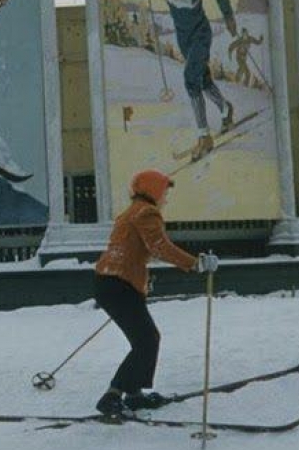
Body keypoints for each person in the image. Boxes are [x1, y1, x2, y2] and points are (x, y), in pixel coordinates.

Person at [92, 169, 216, 417]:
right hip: (120, 284)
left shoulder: (129, 213)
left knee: (145, 339)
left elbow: (135, 250)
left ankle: (134, 394)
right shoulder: (147, 213)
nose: (166, 198)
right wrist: (196, 263)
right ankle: (112, 396)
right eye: (165, 192)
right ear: (154, 190)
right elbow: (159, 247)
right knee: (147, 341)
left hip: (110, 282)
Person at [135, 0, 237, 162]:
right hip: (184, 38)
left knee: (191, 79)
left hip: (200, 34)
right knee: (203, 80)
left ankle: (204, 136)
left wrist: (228, 17)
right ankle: (225, 109)